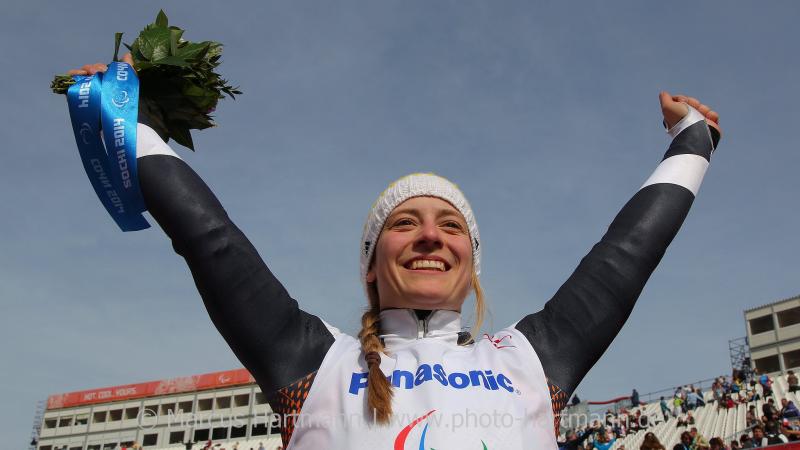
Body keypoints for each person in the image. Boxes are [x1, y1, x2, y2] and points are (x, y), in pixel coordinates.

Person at [66, 55, 722, 449]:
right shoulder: (314, 362)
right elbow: (211, 242)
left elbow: (628, 253)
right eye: (406, 224)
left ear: (471, 264)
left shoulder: (530, 361)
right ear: (371, 266)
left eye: (450, 226)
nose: (431, 236)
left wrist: (692, 141)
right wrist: (129, 125)